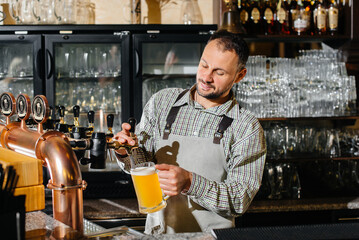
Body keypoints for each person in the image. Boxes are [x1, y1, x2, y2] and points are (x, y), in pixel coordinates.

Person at [114, 29, 267, 234]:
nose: (206, 77)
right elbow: (143, 165)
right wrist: (125, 151)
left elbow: (239, 200)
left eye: (219, 72)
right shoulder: (162, 103)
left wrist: (190, 182)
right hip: (158, 235)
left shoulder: (246, 127)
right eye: (204, 64)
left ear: (240, 75)